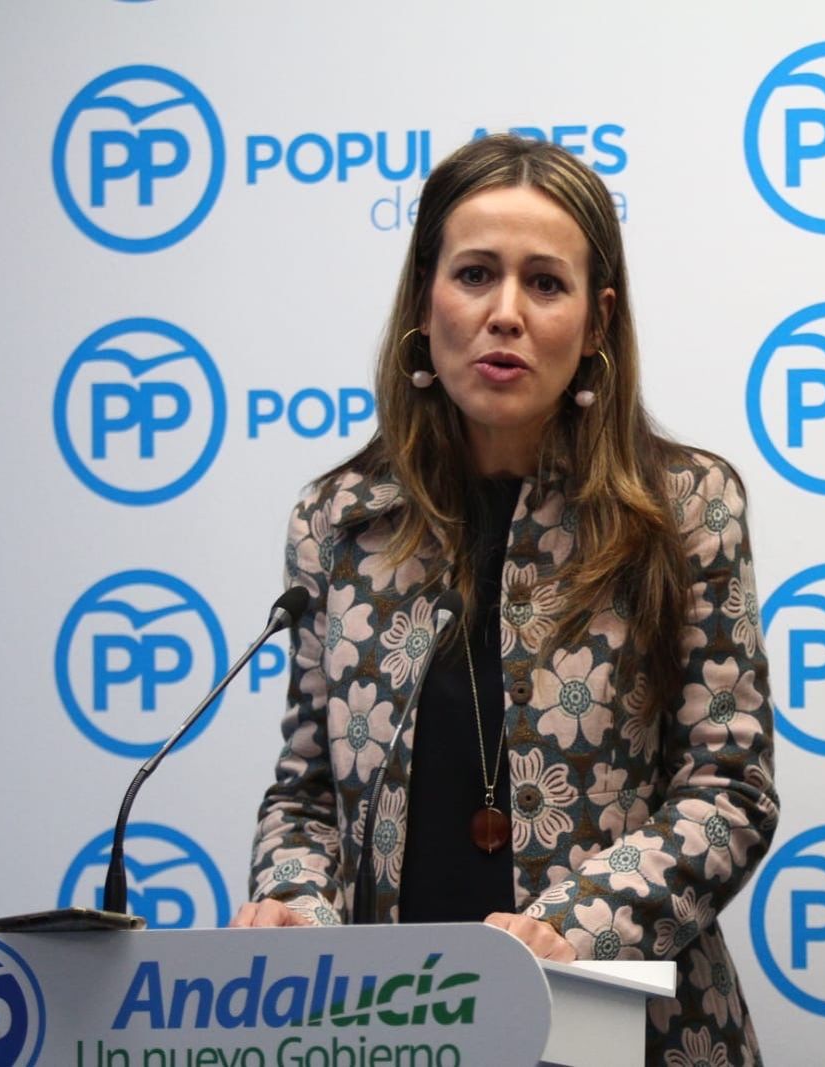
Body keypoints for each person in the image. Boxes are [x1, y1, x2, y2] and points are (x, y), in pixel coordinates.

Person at [230, 134, 778, 1066]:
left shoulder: (683, 508)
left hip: (626, 1025)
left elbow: (729, 788)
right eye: (475, 274)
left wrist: (574, 927)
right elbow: (310, 790)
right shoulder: (341, 520)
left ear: (598, 320)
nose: (505, 315)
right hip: (394, 1028)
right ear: (424, 298)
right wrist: (296, 905)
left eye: (546, 283)